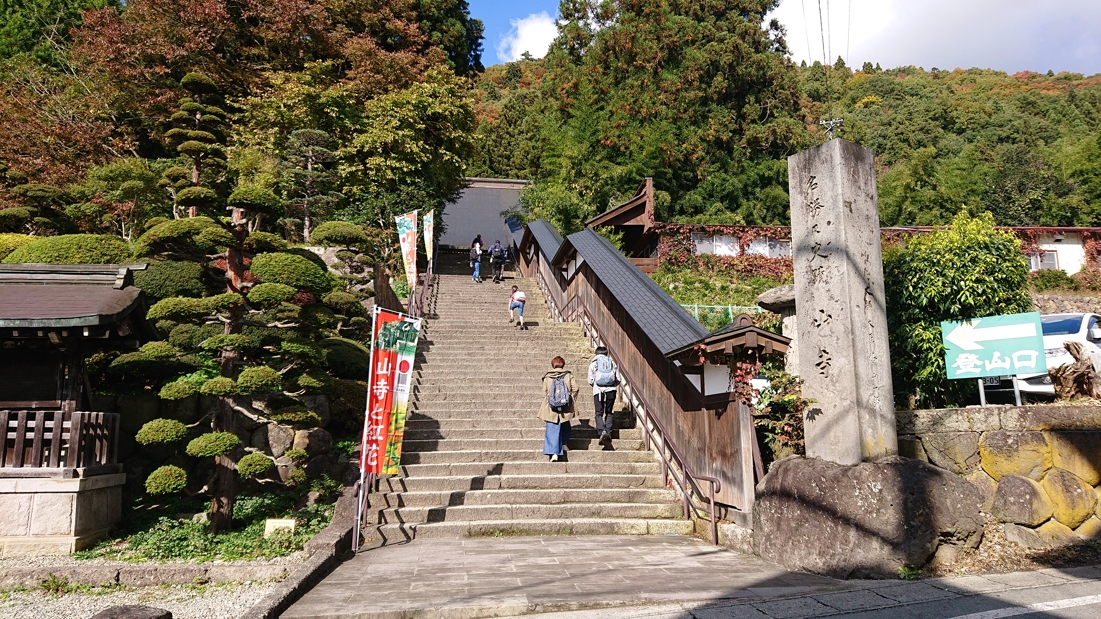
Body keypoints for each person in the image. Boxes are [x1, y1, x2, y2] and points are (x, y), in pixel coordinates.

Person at [540, 356, 578, 462]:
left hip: (551, 407)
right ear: (563, 364)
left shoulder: (548, 377)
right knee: (565, 423)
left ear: (553, 364)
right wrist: (569, 399)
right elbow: (576, 388)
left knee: (552, 428)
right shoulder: (568, 375)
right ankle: (564, 443)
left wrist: (550, 401)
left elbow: (544, 392)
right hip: (564, 405)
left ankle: (554, 453)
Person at [588, 346, 619, 447]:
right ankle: (608, 432)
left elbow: (590, 380)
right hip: (611, 391)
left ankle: (601, 432)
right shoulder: (612, 363)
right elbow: (618, 379)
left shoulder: (593, 364)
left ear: (596, 354)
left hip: (598, 391)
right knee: (609, 412)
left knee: (599, 413)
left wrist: (597, 385)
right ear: (606, 353)